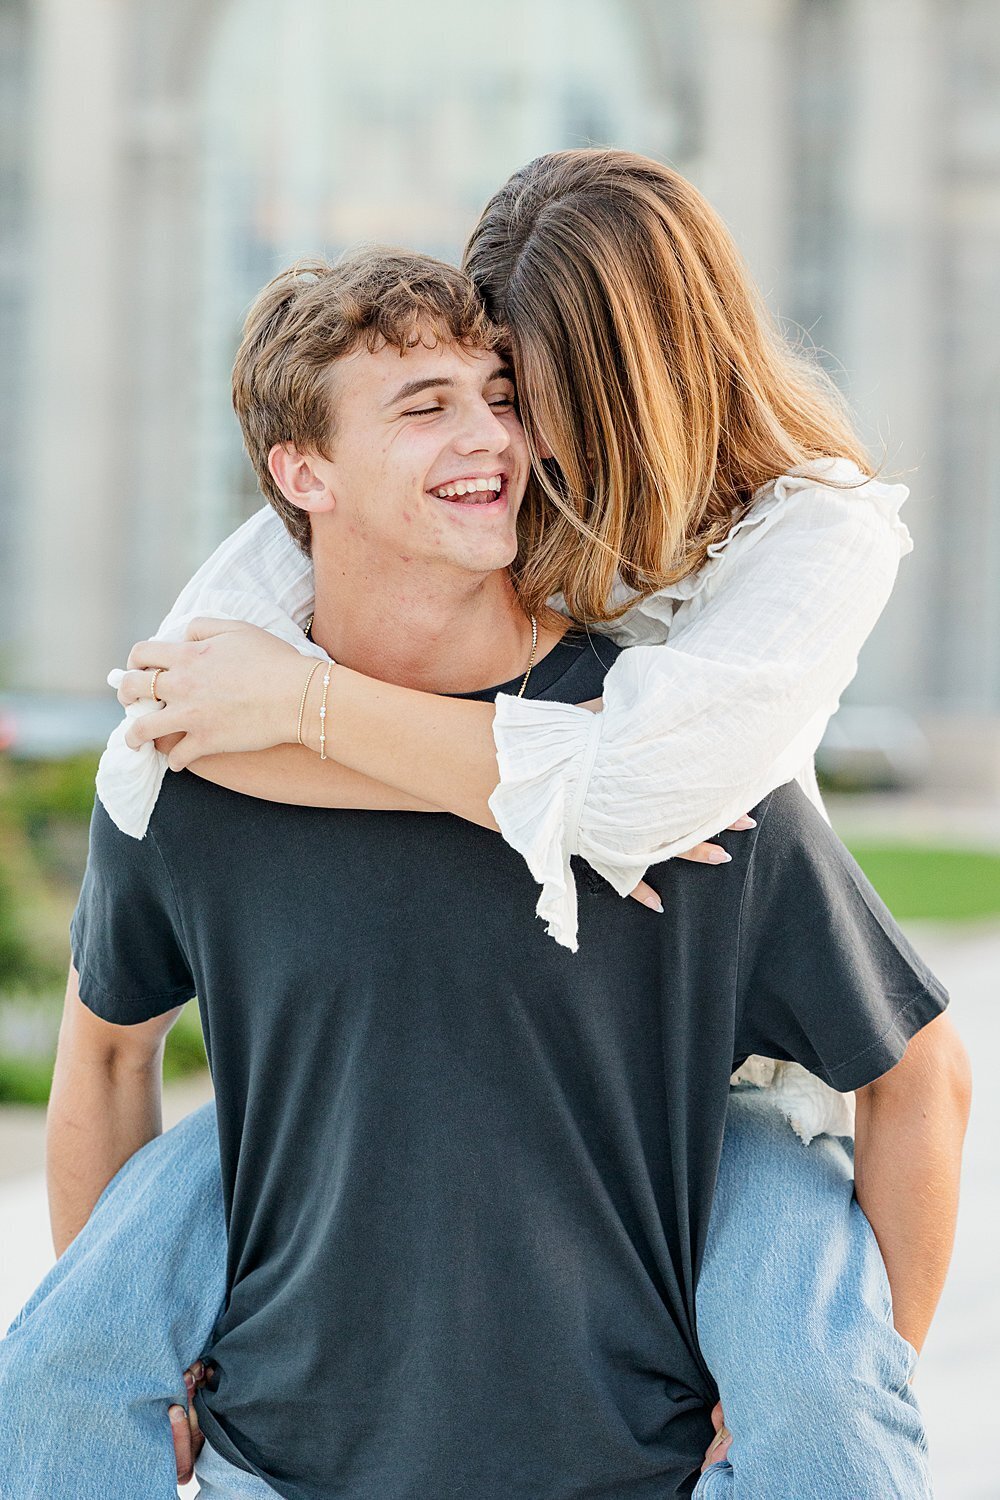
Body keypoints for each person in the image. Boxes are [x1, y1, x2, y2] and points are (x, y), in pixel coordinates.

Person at [6, 248, 966, 1500]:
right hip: (279, 1466)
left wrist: (836, 1389)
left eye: (503, 395)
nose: (493, 438)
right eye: (425, 405)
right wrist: (148, 1362)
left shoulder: (678, 773)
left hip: (639, 1472)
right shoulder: (199, 765)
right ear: (303, 475)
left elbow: (918, 1078)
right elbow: (111, 1053)